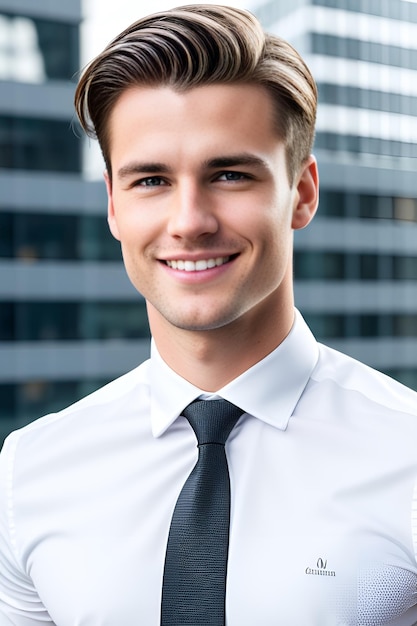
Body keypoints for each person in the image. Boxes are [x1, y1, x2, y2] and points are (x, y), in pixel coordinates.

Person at [1, 4, 417, 625]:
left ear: (301, 193)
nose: (190, 221)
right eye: (151, 181)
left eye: (228, 174)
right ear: (113, 205)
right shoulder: (29, 474)